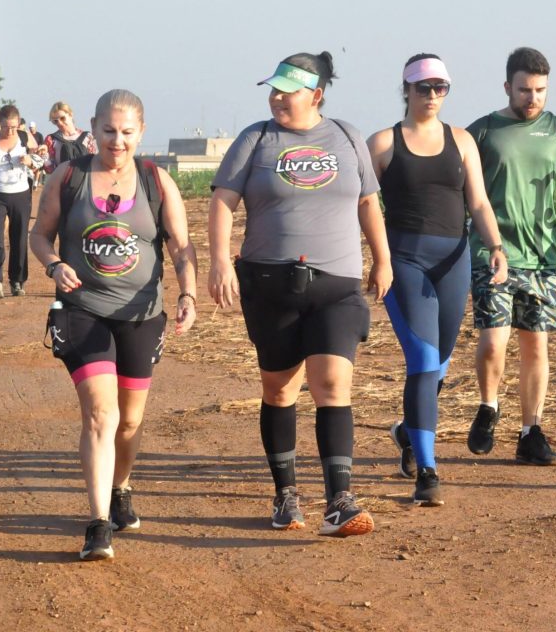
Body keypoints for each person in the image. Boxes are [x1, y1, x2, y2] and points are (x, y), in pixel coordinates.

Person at [208, 51, 392, 537]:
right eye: (272, 89)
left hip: (337, 286)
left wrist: (383, 258)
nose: (276, 98)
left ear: (316, 95)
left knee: (332, 383)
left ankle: (340, 501)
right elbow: (223, 202)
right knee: (280, 389)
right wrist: (221, 260)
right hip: (271, 284)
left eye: (286, 90)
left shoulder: (349, 136)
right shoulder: (256, 138)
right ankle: (286, 494)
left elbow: (369, 203)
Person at [30, 88, 197, 561]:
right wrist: (54, 264)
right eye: (108, 131)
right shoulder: (69, 176)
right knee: (102, 415)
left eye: (126, 133)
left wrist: (186, 293)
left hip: (142, 315)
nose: (117, 141)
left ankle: (121, 486)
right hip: (82, 311)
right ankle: (99, 521)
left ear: (141, 132)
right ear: (93, 129)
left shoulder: (156, 181)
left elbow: (182, 248)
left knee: (130, 421)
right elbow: (40, 235)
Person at [367, 54, 507, 505]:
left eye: (440, 88)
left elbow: (480, 203)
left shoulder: (462, 140)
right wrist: (376, 259)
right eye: (423, 87)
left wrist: (497, 249)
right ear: (405, 89)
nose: (431, 96)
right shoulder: (383, 143)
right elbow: (361, 204)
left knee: (442, 361)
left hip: (454, 261)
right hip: (404, 261)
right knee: (424, 363)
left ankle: (407, 431)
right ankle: (427, 471)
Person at [464, 47, 556, 466]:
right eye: (524, 89)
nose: (533, 98)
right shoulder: (482, 132)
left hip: (544, 257)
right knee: (492, 341)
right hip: (493, 253)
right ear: (508, 87)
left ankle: (530, 432)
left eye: (540, 90)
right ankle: (488, 407)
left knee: (536, 347)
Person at [0, 104, 40, 298]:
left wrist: (31, 161)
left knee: (18, 237)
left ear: (18, 123)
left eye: (13, 126)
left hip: (20, 193)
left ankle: (17, 281)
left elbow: (40, 158)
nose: (9, 130)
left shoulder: (25, 137)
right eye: (5, 126)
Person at [44, 101, 96, 174]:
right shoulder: (51, 139)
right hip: (62, 182)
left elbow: (94, 162)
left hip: (85, 182)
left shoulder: (87, 137)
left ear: (70, 115)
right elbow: (50, 169)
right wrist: (44, 157)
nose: (59, 123)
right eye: (55, 121)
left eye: (62, 118)